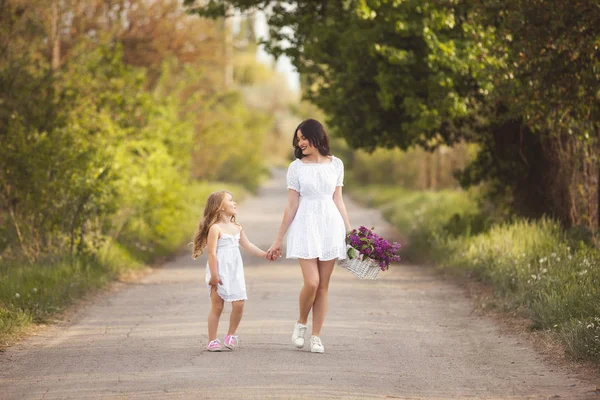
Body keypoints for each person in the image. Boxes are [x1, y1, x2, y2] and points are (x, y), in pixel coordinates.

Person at [266, 119, 352, 353]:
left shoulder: (336, 165)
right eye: (298, 138)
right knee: (312, 282)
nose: (300, 142)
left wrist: (350, 231)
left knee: (323, 286)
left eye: (304, 137)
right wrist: (278, 239)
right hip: (305, 225)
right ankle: (301, 323)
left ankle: (316, 336)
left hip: (330, 226)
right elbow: (291, 205)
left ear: (317, 137)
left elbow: (339, 200)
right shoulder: (296, 167)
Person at [192, 191, 269, 352]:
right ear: (220, 207)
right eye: (230, 200)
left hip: (235, 272)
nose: (234, 203)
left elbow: (248, 245)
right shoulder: (215, 228)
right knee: (218, 306)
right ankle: (212, 340)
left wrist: (265, 254)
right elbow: (212, 253)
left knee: (239, 303)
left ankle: (231, 334)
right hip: (219, 271)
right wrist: (214, 275)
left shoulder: (237, 228)